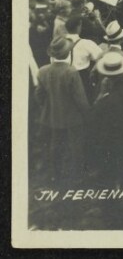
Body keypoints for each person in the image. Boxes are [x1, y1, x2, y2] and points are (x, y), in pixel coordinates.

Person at [87, 52, 123, 228]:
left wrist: (102, 94)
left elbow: (94, 119)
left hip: (110, 146)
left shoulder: (106, 100)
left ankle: (110, 213)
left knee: (108, 178)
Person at [36, 36, 90, 184]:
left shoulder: (43, 71)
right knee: (76, 146)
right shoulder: (71, 72)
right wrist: (87, 114)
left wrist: (48, 107)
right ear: (67, 53)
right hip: (73, 117)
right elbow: (80, 98)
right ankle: (77, 175)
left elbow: (39, 95)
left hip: (53, 115)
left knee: (56, 145)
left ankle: (55, 174)